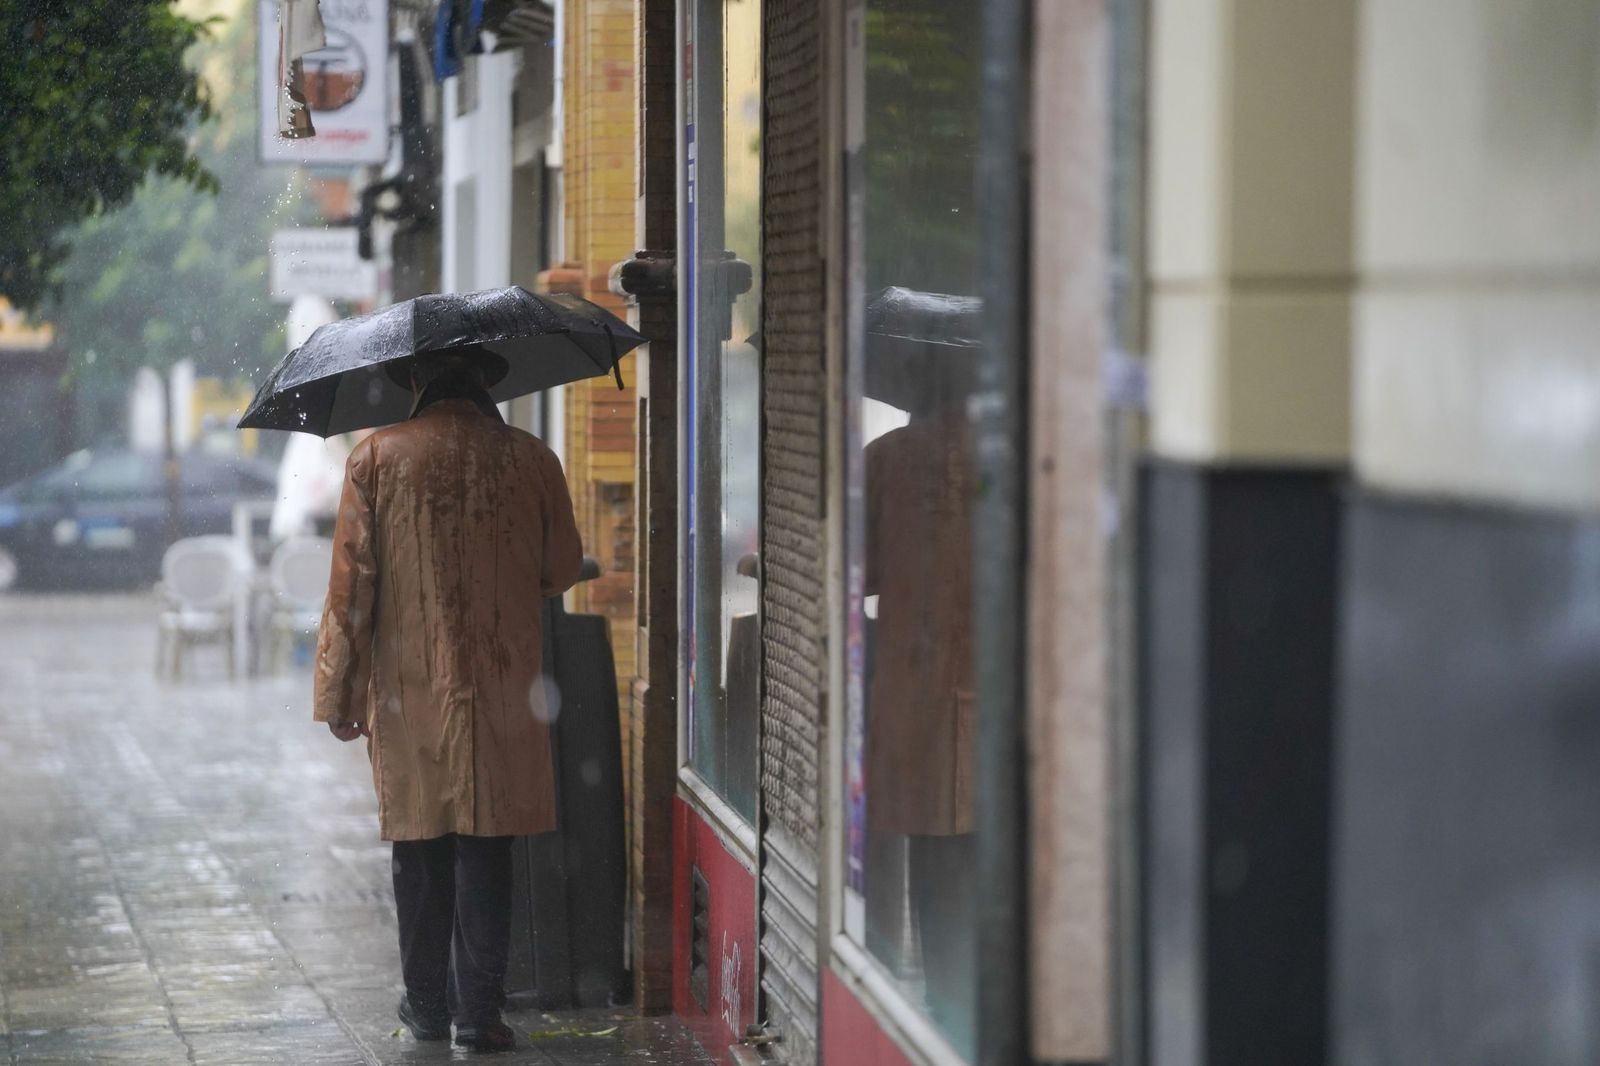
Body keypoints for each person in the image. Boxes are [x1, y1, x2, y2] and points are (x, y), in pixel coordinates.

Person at [313, 348, 583, 1053]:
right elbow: (558, 571)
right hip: (504, 683)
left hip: (409, 689)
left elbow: (352, 590)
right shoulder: (533, 459)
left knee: (420, 844)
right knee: (489, 844)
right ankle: (479, 1014)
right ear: (493, 378)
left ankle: (426, 1008)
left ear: (413, 380)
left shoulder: (376, 457)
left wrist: (338, 691)